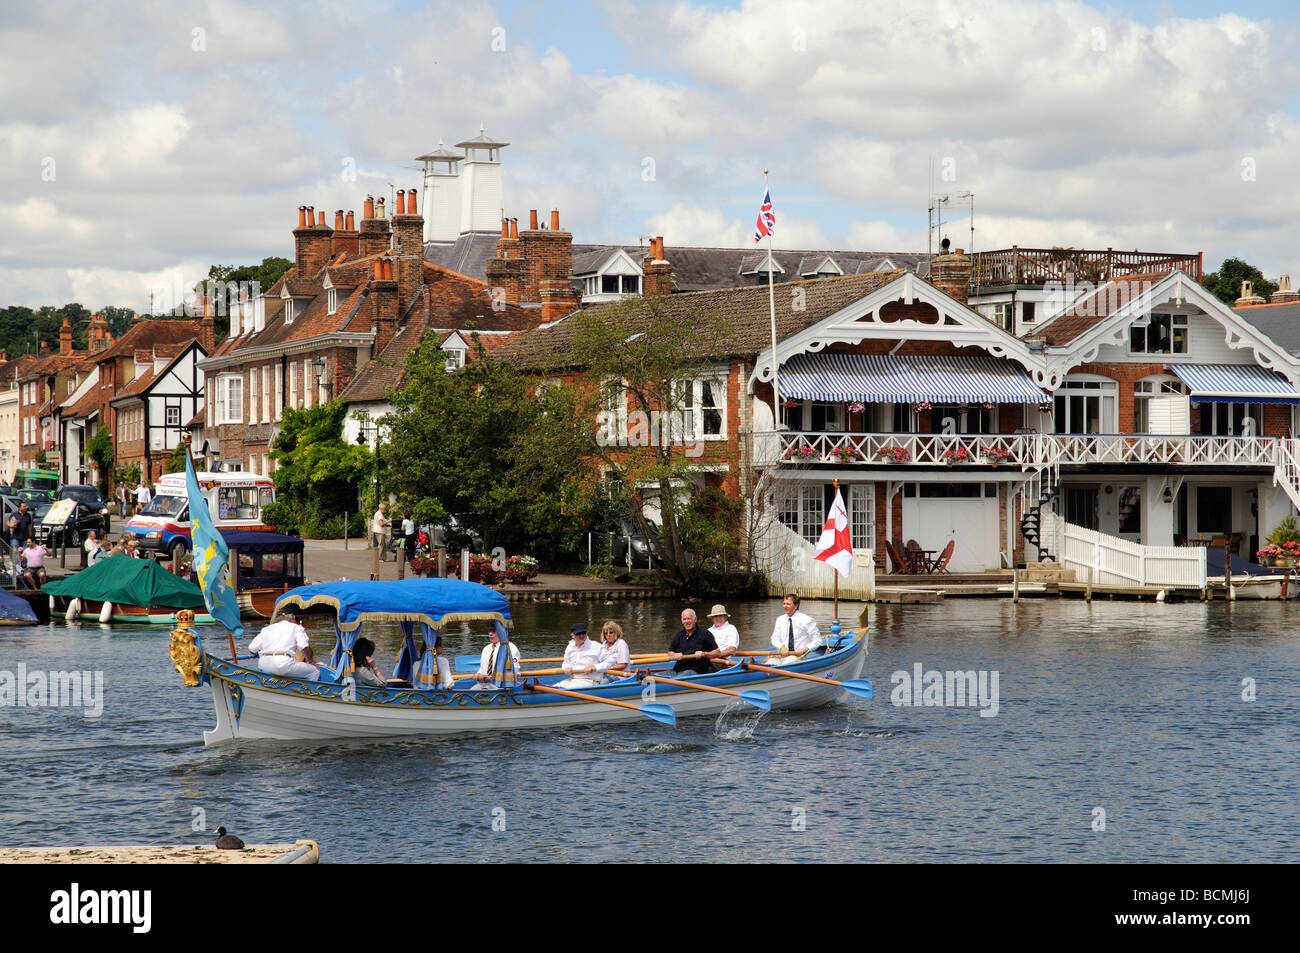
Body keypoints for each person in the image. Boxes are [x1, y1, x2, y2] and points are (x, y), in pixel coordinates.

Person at [247, 607, 319, 680]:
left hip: (264, 665)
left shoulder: (266, 629)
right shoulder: (296, 627)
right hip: (282, 664)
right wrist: (310, 661)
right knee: (314, 671)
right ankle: (307, 691)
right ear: (292, 618)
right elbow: (303, 646)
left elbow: (252, 648)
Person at [768, 593, 821, 664]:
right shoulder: (780, 619)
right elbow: (774, 638)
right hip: (783, 653)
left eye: (788, 604)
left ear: (796, 606)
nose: (785, 606)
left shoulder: (806, 620)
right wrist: (782, 647)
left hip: (798, 655)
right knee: (770, 663)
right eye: (784, 604)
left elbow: (817, 640)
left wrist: (804, 649)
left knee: (787, 663)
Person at [668, 608, 717, 676]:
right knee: (655, 676)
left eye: (689, 619)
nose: (687, 621)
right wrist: (674, 655)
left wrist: (704, 653)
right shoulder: (679, 635)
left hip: (695, 671)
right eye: (684, 619)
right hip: (677, 670)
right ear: (682, 621)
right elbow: (670, 652)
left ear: (695, 619)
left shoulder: (705, 634)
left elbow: (717, 652)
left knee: (678, 677)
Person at [472, 624, 521, 689]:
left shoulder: (511, 648)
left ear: (502, 632)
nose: (490, 634)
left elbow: (515, 669)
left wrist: (492, 678)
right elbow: (483, 668)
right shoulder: (486, 648)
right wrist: (478, 675)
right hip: (483, 685)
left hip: (502, 686)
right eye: (489, 631)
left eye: (493, 631)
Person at [556, 622, 603, 688]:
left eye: (583, 633)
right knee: (556, 686)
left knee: (562, 689)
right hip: (574, 679)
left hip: (590, 681)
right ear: (572, 635)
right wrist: (566, 667)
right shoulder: (570, 647)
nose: (581, 635)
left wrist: (593, 667)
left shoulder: (597, 647)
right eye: (578, 633)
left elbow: (609, 662)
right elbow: (566, 662)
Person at [370, 502, 390, 579]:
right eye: (384, 509)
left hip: (378, 531)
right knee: (381, 544)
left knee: (383, 544)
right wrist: (388, 522)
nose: (385, 511)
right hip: (380, 531)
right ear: (382, 509)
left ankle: (383, 557)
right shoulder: (379, 515)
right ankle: (380, 558)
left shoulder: (378, 513)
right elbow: (381, 524)